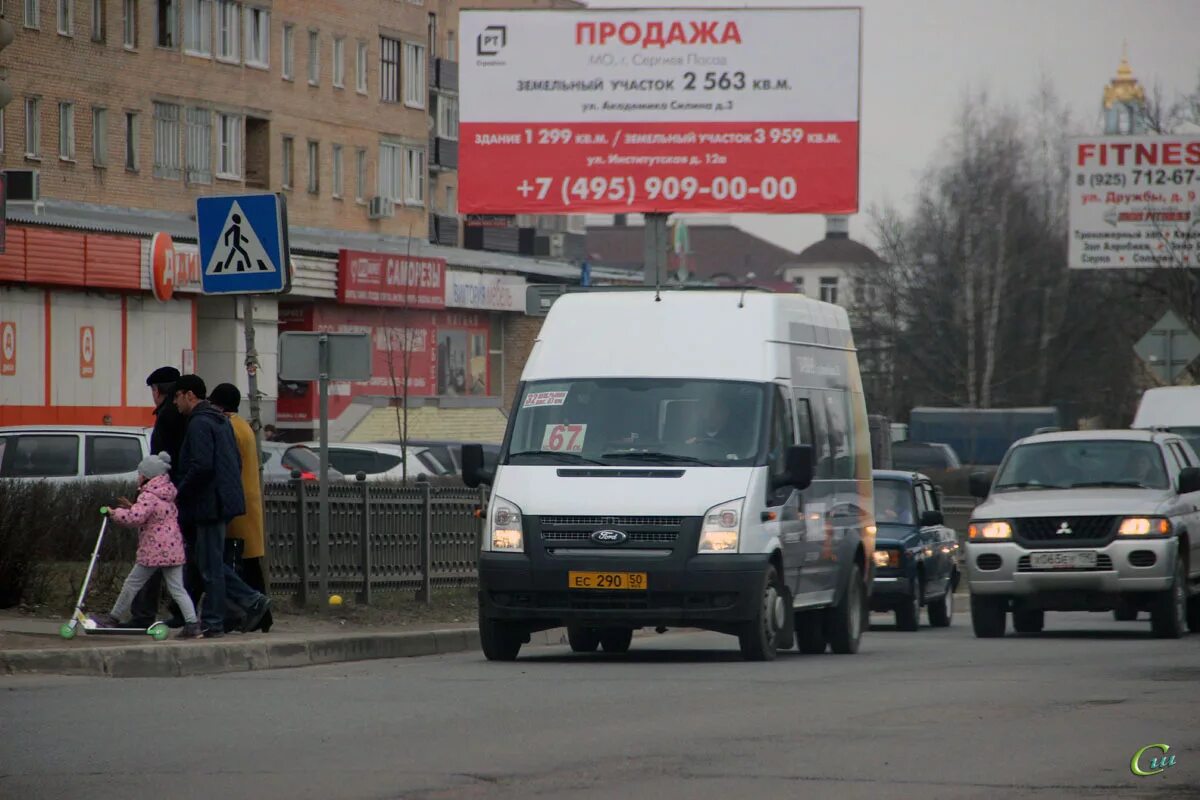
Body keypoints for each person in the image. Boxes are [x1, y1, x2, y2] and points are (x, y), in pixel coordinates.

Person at [173, 374, 271, 638]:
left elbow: (201, 465)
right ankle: (251, 601)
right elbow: (233, 463)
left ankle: (217, 620)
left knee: (210, 566)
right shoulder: (221, 422)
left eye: (177, 396)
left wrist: (178, 493)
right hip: (221, 501)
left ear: (189, 395)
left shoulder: (200, 423)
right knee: (211, 562)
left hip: (207, 503)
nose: (175, 403)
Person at [89, 452, 202, 639]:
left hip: (153, 550)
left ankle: (113, 617)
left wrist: (113, 513)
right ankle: (192, 624)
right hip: (173, 549)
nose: (138, 476)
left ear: (147, 475)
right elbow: (152, 517)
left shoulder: (148, 495)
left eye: (140, 473)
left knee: (132, 583)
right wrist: (132, 506)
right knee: (178, 589)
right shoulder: (167, 494)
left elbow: (136, 517)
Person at [129, 366, 192, 628]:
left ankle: (143, 614)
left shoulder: (167, 417)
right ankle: (183, 613)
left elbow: (162, 456)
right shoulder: (185, 416)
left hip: (162, 496)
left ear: (157, 391)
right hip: (176, 494)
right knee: (178, 558)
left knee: (151, 554)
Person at [209, 383, 273, 633]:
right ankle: (263, 617)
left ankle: (251, 613)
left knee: (237, 561)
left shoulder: (229, 427)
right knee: (250, 561)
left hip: (238, 502)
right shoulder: (243, 425)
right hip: (250, 498)